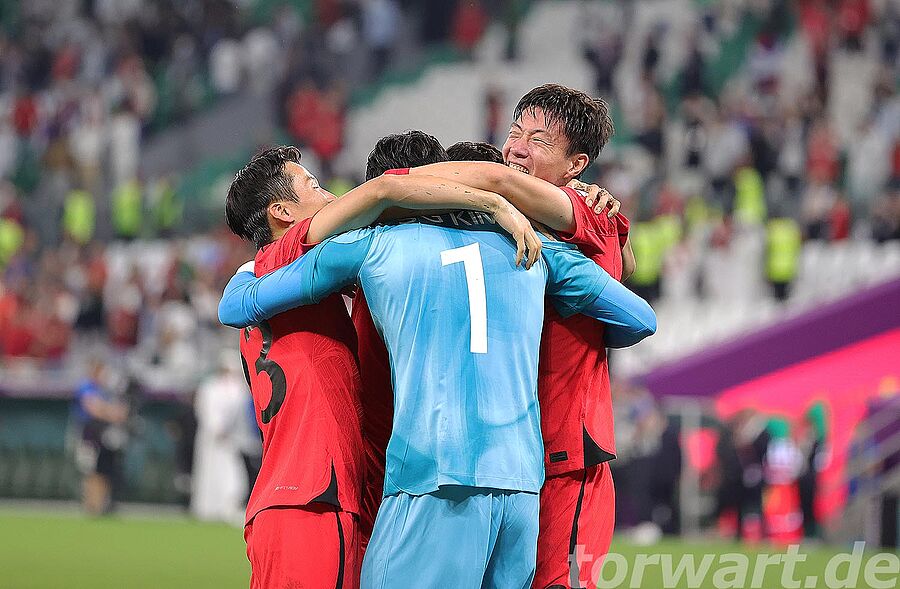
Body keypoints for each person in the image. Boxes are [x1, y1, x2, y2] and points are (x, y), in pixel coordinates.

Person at [218, 213, 655, 589]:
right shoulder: (536, 247)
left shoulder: (379, 243)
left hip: (435, 480)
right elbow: (639, 318)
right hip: (521, 488)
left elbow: (240, 306)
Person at [222, 145, 541, 589]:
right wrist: (495, 202)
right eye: (314, 186)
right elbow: (384, 191)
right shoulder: (298, 247)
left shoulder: (266, 274)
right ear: (282, 212)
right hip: (314, 494)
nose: (332, 196)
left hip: (291, 496)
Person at [389, 84, 633, 587]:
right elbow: (626, 262)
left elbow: (497, 178)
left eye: (539, 141)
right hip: (519, 453)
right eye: (515, 132)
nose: (517, 148)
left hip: (569, 451)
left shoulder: (579, 209)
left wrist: (384, 189)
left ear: (576, 165)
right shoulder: (555, 216)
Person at [191, 349, 249, 524]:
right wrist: (217, 427)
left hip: (230, 440)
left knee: (232, 475)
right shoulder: (210, 387)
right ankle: (207, 509)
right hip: (211, 439)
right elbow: (206, 410)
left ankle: (229, 506)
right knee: (208, 473)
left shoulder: (238, 389)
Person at [73, 358, 129, 516]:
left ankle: (101, 504)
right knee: (90, 470)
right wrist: (112, 413)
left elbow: (121, 410)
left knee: (104, 470)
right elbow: (93, 407)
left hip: (103, 436)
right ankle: (91, 505)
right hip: (88, 434)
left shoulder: (104, 389)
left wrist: (115, 412)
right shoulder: (86, 386)